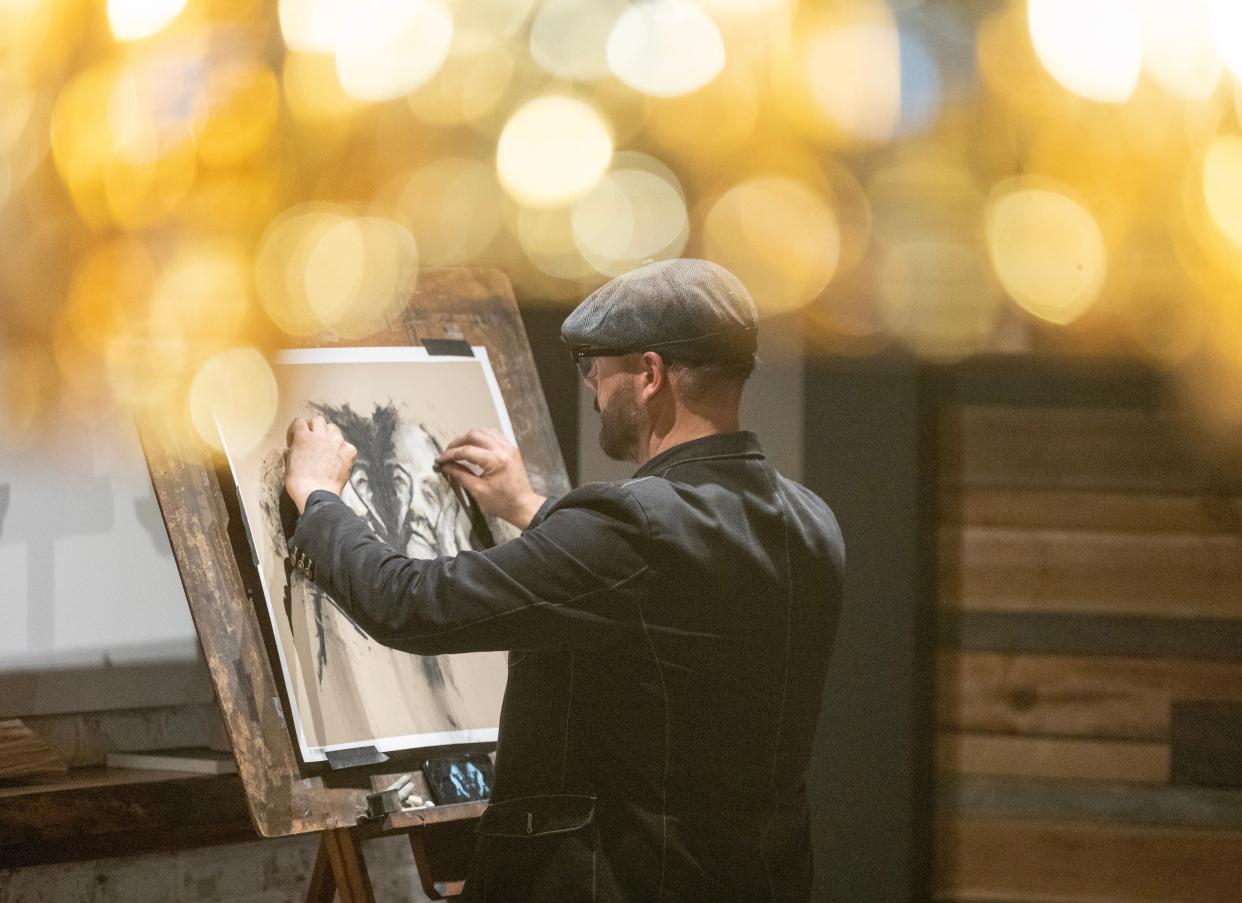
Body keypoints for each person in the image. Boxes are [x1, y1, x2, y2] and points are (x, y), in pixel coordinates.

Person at [284, 258, 845, 903]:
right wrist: (529, 508)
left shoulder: (634, 525)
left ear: (650, 375)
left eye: (596, 371)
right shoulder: (809, 520)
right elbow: (666, 597)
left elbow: (413, 605)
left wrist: (321, 498)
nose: (593, 390)